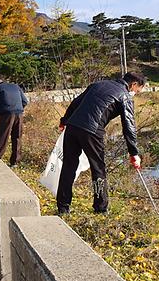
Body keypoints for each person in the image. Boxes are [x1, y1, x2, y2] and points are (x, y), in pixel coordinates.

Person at [56, 71, 145, 215]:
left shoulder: (98, 84)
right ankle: (100, 208)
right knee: (98, 169)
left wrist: (64, 120)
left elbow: (76, 103)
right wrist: (134, 153)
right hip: (92, 131)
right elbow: (129, 125)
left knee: (68, 166)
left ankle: (63, 207)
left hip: (72, 127)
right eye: (137, 91)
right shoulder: (124, 96)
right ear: (134, 84)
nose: (136, 93)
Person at [0, 79, 29, 166]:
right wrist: (18, 108)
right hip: (19, 113)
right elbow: (25, 101)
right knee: (17, 137)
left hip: (6, 114)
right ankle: (15, 161)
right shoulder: (15, 86)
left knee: (2, 137)